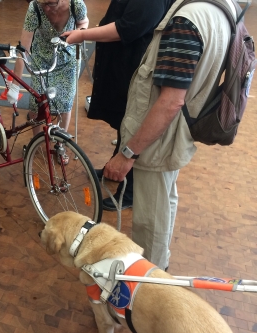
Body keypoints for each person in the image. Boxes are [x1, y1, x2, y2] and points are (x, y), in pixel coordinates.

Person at [102, 0, 237, 270]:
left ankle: (148, 285)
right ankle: (158, 267)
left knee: (149, 220)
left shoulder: (187, 21)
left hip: (157, 140)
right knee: (164, 204)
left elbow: (170, 102)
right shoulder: (221, 8)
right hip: (174, 132)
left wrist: (128, 152)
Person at [62, 0, 175, 210]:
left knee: (132, 123)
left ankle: (130, 191)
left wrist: (84, 35)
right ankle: (115, 169)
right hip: (122, 63)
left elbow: (128, 28)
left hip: (134, 65)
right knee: (123, 120)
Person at [8, 0, 88, 163]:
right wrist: (15, 85)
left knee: (65, 104)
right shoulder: (35, 7)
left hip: (67, 57)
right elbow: (23, 49)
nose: (46, 8)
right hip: (41, 58)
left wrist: (79, 32)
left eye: (51, 4)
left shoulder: (76, 5)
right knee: (37, 104)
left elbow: (84, 22)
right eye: (42, 3)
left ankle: (61, 144)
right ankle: (37, 142)